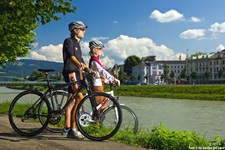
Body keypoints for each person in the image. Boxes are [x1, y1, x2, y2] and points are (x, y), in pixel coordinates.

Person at [62, 21, 88, 139]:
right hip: (71, 72)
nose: (84, 31)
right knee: (79, 100)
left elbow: (80, 60)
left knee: (71, 101)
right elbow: (71, 56)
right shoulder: (69, 41)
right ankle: (73, 130)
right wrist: (78, 64)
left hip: (77, 73)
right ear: (75, 30)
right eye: (82, 29)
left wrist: (89, 69)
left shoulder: (78, 44)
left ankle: (66, 128)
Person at [88, 40, 120, 111]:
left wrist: (109, 81)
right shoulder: (94, 60)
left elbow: (100, 76)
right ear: (95, 49)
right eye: (100, 48)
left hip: (98, 85)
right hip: (96, 86)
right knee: (101, 108)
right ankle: (95, 121)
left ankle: (96, 121)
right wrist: (113, 78)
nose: (101, 50)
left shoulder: (95, 60)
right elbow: (102, 71)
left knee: (100, 108)